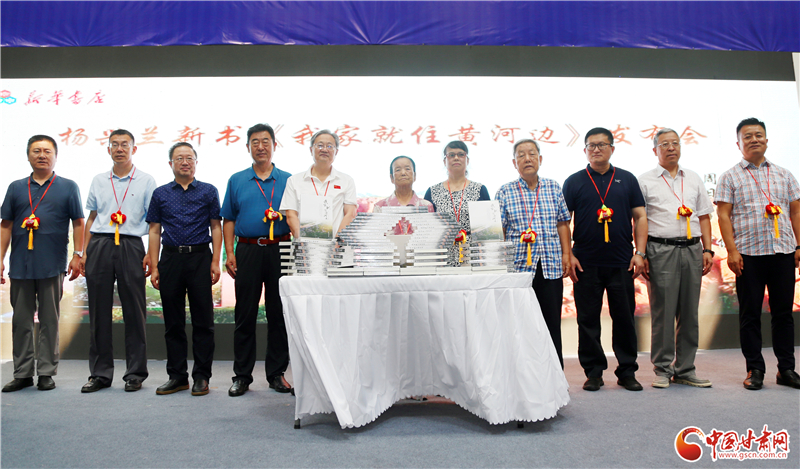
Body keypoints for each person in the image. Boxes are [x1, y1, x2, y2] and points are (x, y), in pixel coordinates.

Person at [715, 117, 800, 390]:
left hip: (782, 251)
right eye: (748, 136)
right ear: (738, 143)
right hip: (748, 255)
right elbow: (723, 216)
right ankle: (755, 369)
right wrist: (731, 251)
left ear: (766, 140)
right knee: (750, 315)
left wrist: (799, 245)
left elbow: (796, 211)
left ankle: (786, 369)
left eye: (758, 135)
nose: (754, 140)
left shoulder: (785, 174)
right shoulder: (730, 176)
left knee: (783, 314)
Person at [563, 127, 648, 392]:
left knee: (624, 318)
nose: (596, 149)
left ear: (612, 148)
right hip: (585, 262)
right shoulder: (574, 181)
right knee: (588, 320)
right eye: (591, 145)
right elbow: (563, 222)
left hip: (622, 261)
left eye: (602, 144)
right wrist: (569, 254)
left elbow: (640, 217)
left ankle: (627, 371)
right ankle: (594, 372)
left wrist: (640, 252)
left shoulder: (627, 179)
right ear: (585, 150)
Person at [1, 135, 84, 392]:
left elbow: (78, 223)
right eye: (36, 151)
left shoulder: (68, 186)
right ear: (28, 156)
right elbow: (6, 225)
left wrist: (78, 254)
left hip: (52, 264)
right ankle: (22, 373)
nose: (42, 155)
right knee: (21, 322)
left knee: (50, 320)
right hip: (21, 265)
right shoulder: (16, 187)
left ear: (55, 156)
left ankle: (46, 372)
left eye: (47, 151)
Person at [79, 129, 157, 393]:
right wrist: (84, 252)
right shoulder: (99, 180)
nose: (120, 149)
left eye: (125, 144)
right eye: (115, 145)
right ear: (108, 149)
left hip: (131, 244)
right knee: (98, 311)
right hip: (100, 243)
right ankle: (100, 374)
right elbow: (92, 217)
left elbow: (153, 221)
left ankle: (135, 373)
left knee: (134, 310)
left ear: (134, 149)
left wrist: (150, 253)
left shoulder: (146, 180)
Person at [638, 128, 714, 389]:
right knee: (663, 312)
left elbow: (704, 215)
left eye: (675, 143)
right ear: (655, 150)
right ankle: (662, 369)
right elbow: (639, 220)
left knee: (690, 313)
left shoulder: (693, 178)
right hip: (661, 249)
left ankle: (685, 369)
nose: (671, 147)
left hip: (692, 249)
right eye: (664, 144)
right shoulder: (645, 180)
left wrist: (707, 249)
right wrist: (642, 253)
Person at [221, 123, 293, 397]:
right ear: (248, 146)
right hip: (248, 250)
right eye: (255, 142)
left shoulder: (288, 180)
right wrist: (230, 252)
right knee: (245, 314)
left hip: (281, 249)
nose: (260, 147)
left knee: (279, 314)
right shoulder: (237, 180)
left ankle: (276, 374)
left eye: (265, 141)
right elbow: (229, 219)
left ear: (274, 145)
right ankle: (242, 376)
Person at [147, 142, 222, 396]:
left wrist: (215, 261)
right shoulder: (160, 193)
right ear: (171, 164)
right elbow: (154, 230)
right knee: (173, 322)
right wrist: (154, 265)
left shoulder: (209, 191)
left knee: (203, 321)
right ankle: (177, 376)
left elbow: (215, 226)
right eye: (179, 158)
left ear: (196, 162)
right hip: (170, 259)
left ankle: (201, 376)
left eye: (189, 158)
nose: (185, 162)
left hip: (200, 257)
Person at [496, 139, 571, 368]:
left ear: (540, 159)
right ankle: (524, 375)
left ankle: (555, 376)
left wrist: (566, 254)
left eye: (531, 154)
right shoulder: (505, 191)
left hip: (550, 265)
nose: (527, 159)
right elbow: (499, 232)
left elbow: (562, 223)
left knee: (551, 324)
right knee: (520, 325)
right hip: (519, 269)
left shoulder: (553, 187)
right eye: (521, 155)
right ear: (514, 162)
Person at [424, 141, 491, 266]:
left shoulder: (480, 189)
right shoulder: (432, 192)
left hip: (473, 254)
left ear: (467, 160)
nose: (456, 158)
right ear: (445, 161)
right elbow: (427, 230)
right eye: (451, 155)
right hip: (442, 255)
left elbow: (487, 231)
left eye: (461, 154)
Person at [282, 129, 358, 237]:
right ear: (311, 149)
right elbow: (291, 216)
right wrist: (303, 241)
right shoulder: (294, 181)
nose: (325, 149)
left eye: (330, 146)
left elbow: (350, 214)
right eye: (320, 145)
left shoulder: (346, 181)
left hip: (336, 245)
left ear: (336, 152)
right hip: (304, 245)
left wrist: (337, 243)